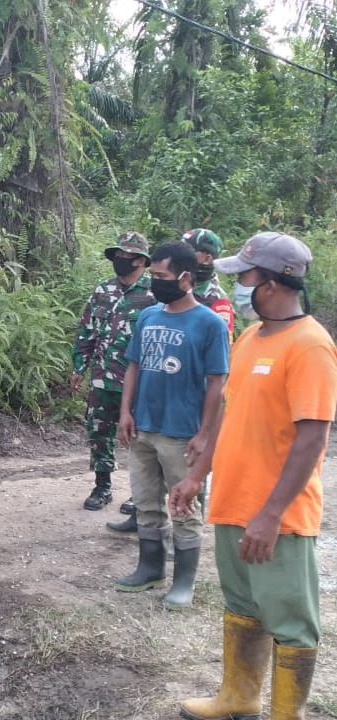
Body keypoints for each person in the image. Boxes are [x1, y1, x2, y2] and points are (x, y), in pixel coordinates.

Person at [170, 232, 337, 720]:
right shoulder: (250, 337)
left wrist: (271, 514)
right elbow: (230, 414)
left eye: (243, 276)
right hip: (233, 502)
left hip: (277, 518)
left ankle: (287, 714)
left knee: (290, 620)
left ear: (270, 283)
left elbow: (312, 439)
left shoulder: (310, 346)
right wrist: (196, 475)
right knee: (242, 605)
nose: (236, 286)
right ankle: (239, 697)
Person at [115, 242, 229, 609]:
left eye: (161, 276)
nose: (155, 282)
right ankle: (150, 568)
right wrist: (125, 412)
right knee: (146, 502)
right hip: (143, 427)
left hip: (182, 433)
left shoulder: (210, 323)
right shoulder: (149, 316)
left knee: (183, 507)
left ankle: (183, 582)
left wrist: (204, 433)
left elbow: (217, 385)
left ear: (185, 278)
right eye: (152, 276)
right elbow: (133, 366)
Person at [71, 231, 155, 519]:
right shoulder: (103, 290)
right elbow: (87, 330)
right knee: (98, 431)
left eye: (125, 255)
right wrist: (79, 366)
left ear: (141, 260)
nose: (119, 260)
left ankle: (139, 492)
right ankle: (102, 486)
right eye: (117, 255)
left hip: (138, 381)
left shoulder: (154, 295)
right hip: (102, 376)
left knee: (140, 438)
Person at [180, 228, 235, 342]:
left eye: (188, 251)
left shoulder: (218, 300)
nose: (181, 256)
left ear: (207, 258)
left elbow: (222, 345)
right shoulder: (170, 285)